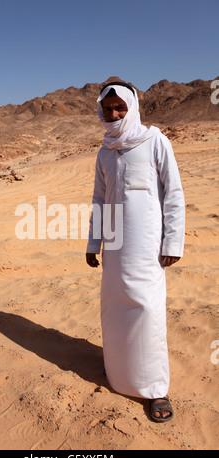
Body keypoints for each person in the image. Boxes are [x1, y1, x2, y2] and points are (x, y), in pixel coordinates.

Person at [86, 81, 185, 423]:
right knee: (115, 307)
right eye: (107, 108)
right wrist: (93, 242)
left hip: (146, 244)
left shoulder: (155, 141)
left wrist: (172, 242)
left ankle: (155, 387)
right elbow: (100, 199)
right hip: (114, 243)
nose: (113, 114)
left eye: (119, 107)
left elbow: (173, 193)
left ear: (132, 107)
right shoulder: (104, 151)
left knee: (147, 308)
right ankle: (119, 374)